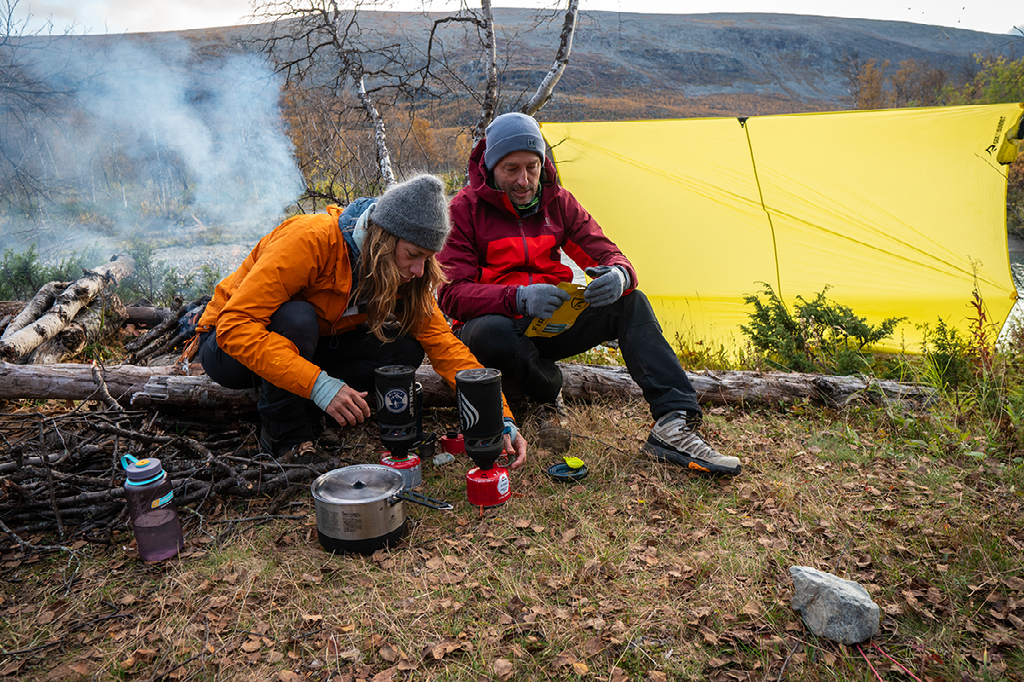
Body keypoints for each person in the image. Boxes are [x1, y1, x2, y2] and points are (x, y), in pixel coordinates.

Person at [437, 113, 740, 476]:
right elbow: (453, 295)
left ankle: (673, 422)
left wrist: (619, 275)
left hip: (550, 323)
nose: (523, 181)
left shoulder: (559, 202)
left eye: (532, 167)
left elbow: (610, 254)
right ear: (490, 168)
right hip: (495, 328)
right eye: (511, 169)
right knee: (491, 332)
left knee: (631, 302)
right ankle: (548, 388)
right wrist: (517, 297)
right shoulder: (464, 209)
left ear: (542, 163)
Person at [195, 174, 527, 468]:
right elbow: (234, 327)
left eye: (427, 259)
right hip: (228, 351)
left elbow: (445, 348)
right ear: (381, 240)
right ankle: (286, 435)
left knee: (404, 349)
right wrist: (319, 384)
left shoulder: (404, 275)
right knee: (297, 317)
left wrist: (499, 417)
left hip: (309, 348)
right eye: (412, 255)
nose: (419, 271)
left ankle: (313, 406)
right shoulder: (311, 240)